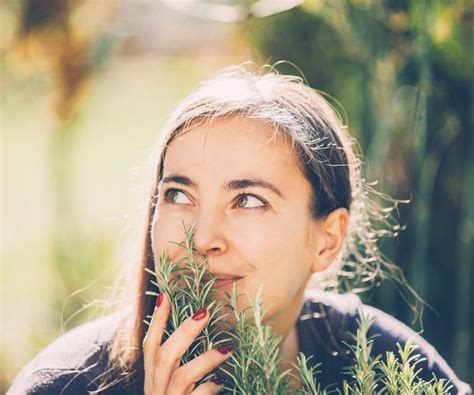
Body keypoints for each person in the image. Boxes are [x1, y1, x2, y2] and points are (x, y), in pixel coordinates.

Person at [8, 65, 471, 394]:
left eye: (248, 200)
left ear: (326, 240)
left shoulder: (387, 367)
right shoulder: (65, 385)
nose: (205, 236)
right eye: (179, 195)